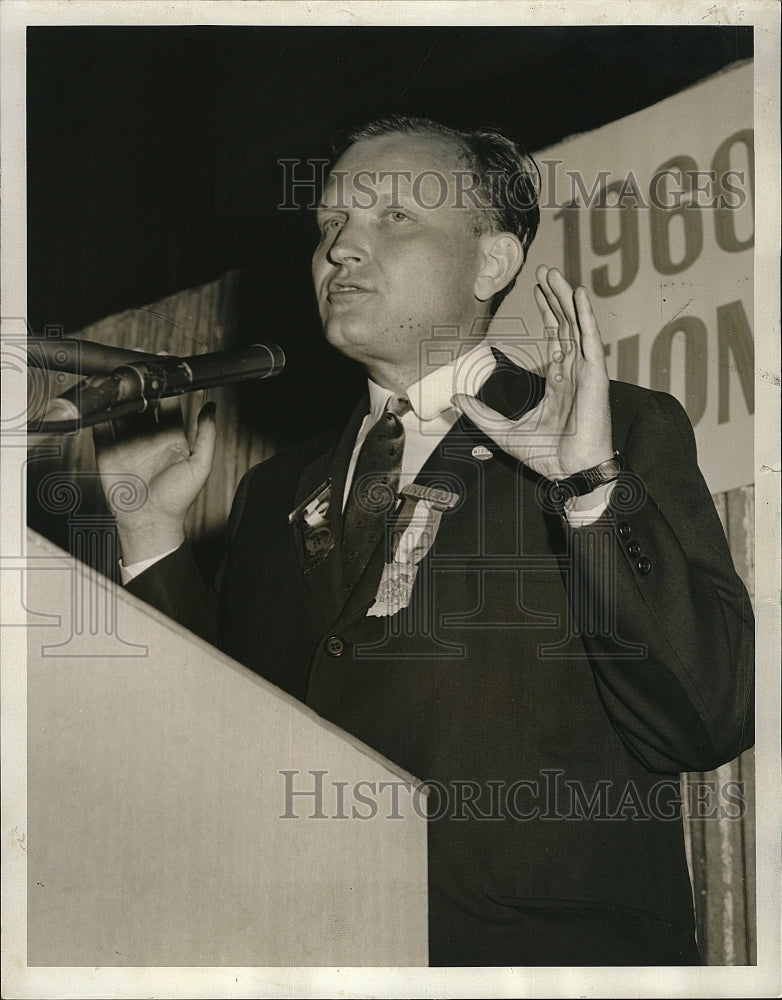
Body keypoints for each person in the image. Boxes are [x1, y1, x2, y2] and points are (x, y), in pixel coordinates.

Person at [94, 116, 754, 966]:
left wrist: (589, 485)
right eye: (329, 223)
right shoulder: (270, 495)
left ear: (491, 261)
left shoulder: (620, 429)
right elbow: (216, 749)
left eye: (391, 218)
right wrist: (151, 539)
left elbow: (709, 716)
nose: (339, 249)